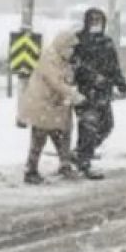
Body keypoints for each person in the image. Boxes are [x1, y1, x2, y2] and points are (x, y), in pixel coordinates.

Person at [18, 30, 85, 185]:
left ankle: (64, 165)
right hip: (42, 105)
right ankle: (31, 170)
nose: (72, 52)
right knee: (40, 138)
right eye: (69, 48)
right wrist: (73, 94)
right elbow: (56, 83)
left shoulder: (64, 61)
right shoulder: (49, 60)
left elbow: (67, 79)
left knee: (61, 135)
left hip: (54, 106)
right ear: (61, 46)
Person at [71, 8, 126, 180]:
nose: (96, 23)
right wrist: (91, 77)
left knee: (106, 125)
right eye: (93, 20)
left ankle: (81, 152)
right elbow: (75, 66)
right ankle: (84, 161)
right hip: (85, 92)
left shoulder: (106, 42)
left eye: (99, 20)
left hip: (104, 93)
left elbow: (113, 65)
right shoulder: (79, 41)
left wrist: (120, 82)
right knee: (88, 126)